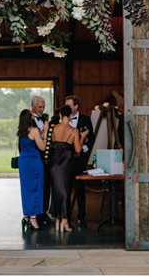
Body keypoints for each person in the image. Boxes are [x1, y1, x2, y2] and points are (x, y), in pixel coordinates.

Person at [49, 105, 86, 232]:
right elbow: (78, 150)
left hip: (54, 164)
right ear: (70, 116)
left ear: (60, 115)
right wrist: (83, 136)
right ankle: (64, 220)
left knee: (56, 191)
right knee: (65, 191)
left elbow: (54, 145)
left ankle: (58, 220)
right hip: (66, 164)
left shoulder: (53, 128)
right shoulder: (73, 130)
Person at [65, 95, 94, 227]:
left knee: (80, 189)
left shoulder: (86, 119)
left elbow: (91, 137)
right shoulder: (62, 119)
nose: (67, 108)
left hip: (79, 158)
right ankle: (65, 217)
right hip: (65, 158)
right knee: (65, 188)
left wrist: (84, 147)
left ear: (76, 106)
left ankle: (82, 217)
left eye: (69, 105)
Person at [17, 108, 47, 231]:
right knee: (36, 189)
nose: (34, 116)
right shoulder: (34, 130)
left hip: (23, 162)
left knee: (26, 190)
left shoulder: (21, 131)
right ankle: (33, 219)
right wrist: (44, 132)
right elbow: (42, 147)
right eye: (32, 115)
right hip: (34, 162)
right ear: (29, 117)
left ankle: (26, 217)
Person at [30, 95, 52, 225]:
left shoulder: (44, 119)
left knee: (46, 186)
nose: (42, 109)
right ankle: (35, 214)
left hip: (45, 157)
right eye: (40, 107)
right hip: (34, 155)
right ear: (33, 106)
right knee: (35, 186)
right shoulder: (28, 120)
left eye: (43, 107)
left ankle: (44, 212)